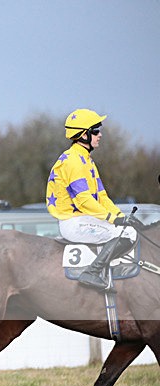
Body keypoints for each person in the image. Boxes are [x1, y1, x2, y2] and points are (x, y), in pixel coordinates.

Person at [46, 109, 141, 290]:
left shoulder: (86, 160)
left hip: (84, 219)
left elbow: (102, 197)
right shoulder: (73, 161)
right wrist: (113, 219)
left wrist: (121, 216)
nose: (100, 134)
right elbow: (84, 201)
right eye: (96, 130)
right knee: (128, 234)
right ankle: (92, 273)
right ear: (83, 135)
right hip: (74, 223)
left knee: (127, 229)